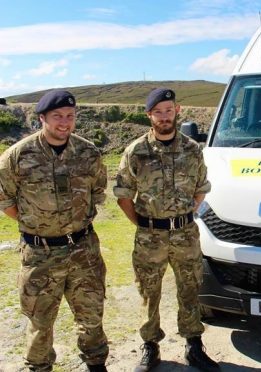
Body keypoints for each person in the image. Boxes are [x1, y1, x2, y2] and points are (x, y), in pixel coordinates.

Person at [0, 90, 109, 372]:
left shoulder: (88, 152)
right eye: (57, 116)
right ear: (42, 119)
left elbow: (97, 193)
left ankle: (96, 363)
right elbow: (5, 200)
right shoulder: (17, 156)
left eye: (70, 117)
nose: (64, 122)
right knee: (40, 320)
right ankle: (39, 367)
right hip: (40, 254)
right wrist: (37, 225)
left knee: (92, 314)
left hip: (84, 250)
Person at [114, 88, 219, 372]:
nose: (164, 117)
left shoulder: (192, 149)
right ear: (149, 115)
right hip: (150, 236)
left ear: (178, 110)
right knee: (149, 292)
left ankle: (194, 347)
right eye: (158, 112)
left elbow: (201, 189)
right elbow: (124, 195)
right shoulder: (136, 151)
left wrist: (183, 216)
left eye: (168, 110)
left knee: (190, 288)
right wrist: (146, 224)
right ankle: (150, 347)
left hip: (185, 234)